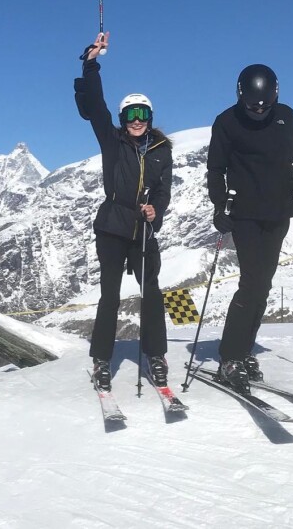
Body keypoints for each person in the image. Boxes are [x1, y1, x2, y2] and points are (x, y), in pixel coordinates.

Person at [74, 32, 173, 391]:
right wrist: (91, 62)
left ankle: (156, 355)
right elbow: (95, 105)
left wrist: (155, 212)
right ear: (122, 118)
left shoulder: (162, 149)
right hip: (113, 226)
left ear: (150, 116)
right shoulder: (112, 142)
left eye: (142, 114)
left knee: (152, 293)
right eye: (131, 114)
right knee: (110, 296)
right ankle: (102, 360)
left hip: (143, 230)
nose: (136, 120)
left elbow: (164, 189)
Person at [207, 63, 293, 393]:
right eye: (253, 104)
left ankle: (244, 350)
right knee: (252, 282)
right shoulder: (226, 122)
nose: (259, 109)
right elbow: (215, 169)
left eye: (264, 103)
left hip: (279, 211)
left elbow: (288, 162)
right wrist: (218, 206)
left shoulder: (287, 117)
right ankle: (230, 357)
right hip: (245, 214)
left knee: (263, 285)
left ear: (275, 95)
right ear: (241, 97)